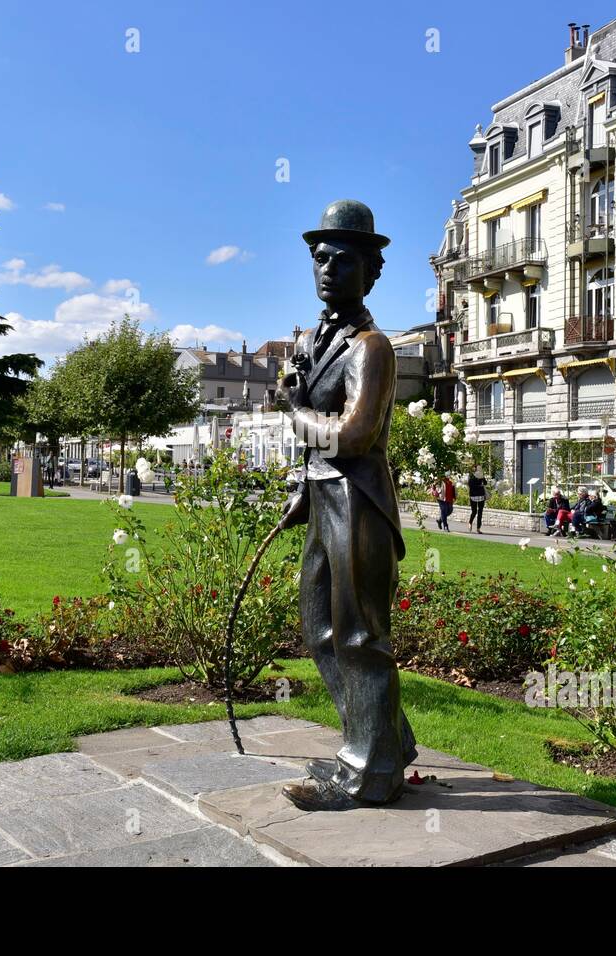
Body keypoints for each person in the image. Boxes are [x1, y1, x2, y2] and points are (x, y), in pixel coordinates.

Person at [276, 199, 418, 812]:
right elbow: (320, 440)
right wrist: (300, 490)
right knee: (321, 630)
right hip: (324, 498)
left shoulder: (372, 347)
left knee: (358, 635)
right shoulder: (316, 339)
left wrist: (293, 412)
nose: (328, 268)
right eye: (320, 258)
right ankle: (387, 741)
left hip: (359, 503)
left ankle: (368, 770)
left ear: (372, 271)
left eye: (343, 259)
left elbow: (355, 436)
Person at [467, 467, 487, 533]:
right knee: (474, 511)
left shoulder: (481, 477)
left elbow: (485, 483)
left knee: (480, 512)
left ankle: (478, 528)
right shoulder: (471, 478)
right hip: (473, 496)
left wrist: (482, 478)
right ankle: (470, 523)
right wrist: (479, 486)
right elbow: (470, 485)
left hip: (481, 496)